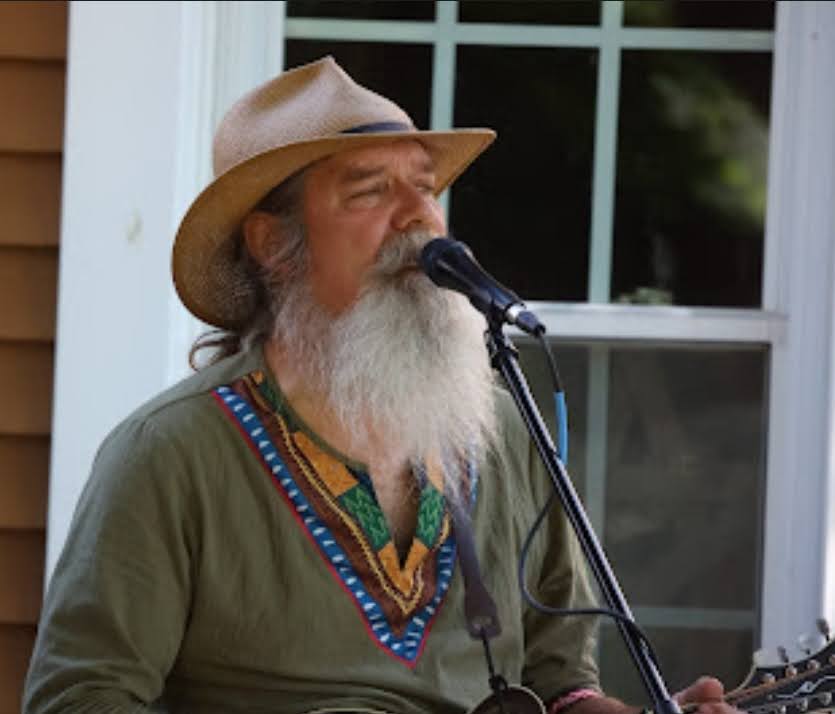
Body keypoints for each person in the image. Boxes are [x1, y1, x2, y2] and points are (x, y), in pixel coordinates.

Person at [24, 56, 734, 714]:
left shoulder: (502, 428)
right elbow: (80, 696)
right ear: (271, 243)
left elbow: (556, 673)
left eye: (424, 189)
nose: (419, 218)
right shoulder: (170, 453)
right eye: (369, 191)